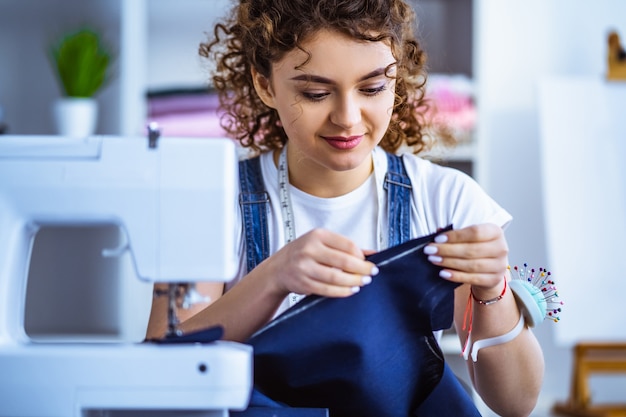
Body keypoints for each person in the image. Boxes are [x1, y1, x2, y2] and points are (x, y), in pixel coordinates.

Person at [146, 0, 544, 415]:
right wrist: (274, 277)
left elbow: (516, 403)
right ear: (265, 85)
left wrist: (493, 289)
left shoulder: (445, 200)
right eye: (315, 93)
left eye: (372, 88)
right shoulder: (215, 202)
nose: (348, 118)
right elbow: (157, 377)